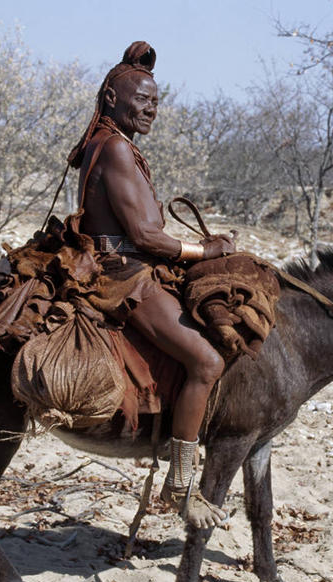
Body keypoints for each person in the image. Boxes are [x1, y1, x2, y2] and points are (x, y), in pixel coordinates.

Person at [65, 42, 235, 530]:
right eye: (141, 99)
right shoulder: (115, 147)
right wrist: (206, 251)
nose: (151, 109)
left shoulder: (106, 141)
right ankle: (180, 485)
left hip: (125, 262)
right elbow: (143, 236)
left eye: (156, 101)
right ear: (111, 97)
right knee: (207, 361)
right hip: (123, 275)